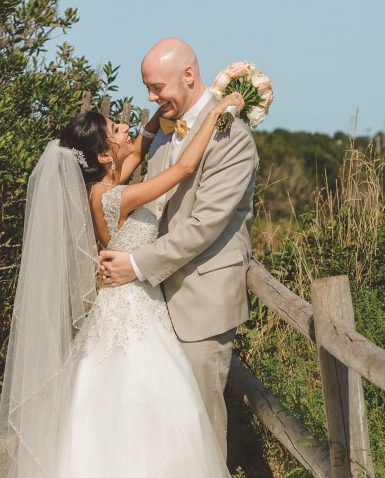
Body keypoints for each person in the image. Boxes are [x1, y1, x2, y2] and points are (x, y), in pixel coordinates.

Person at [98, 38, 258, 460]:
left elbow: (204, 225)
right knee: (162, 425)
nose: (151, 97)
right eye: (146, 87)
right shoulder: (168, 132)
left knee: (200, 427)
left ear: (189, 75)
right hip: (156, 301)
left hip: (200, 301)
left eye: (157, 87)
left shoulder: (232, 137)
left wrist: (135, 264)